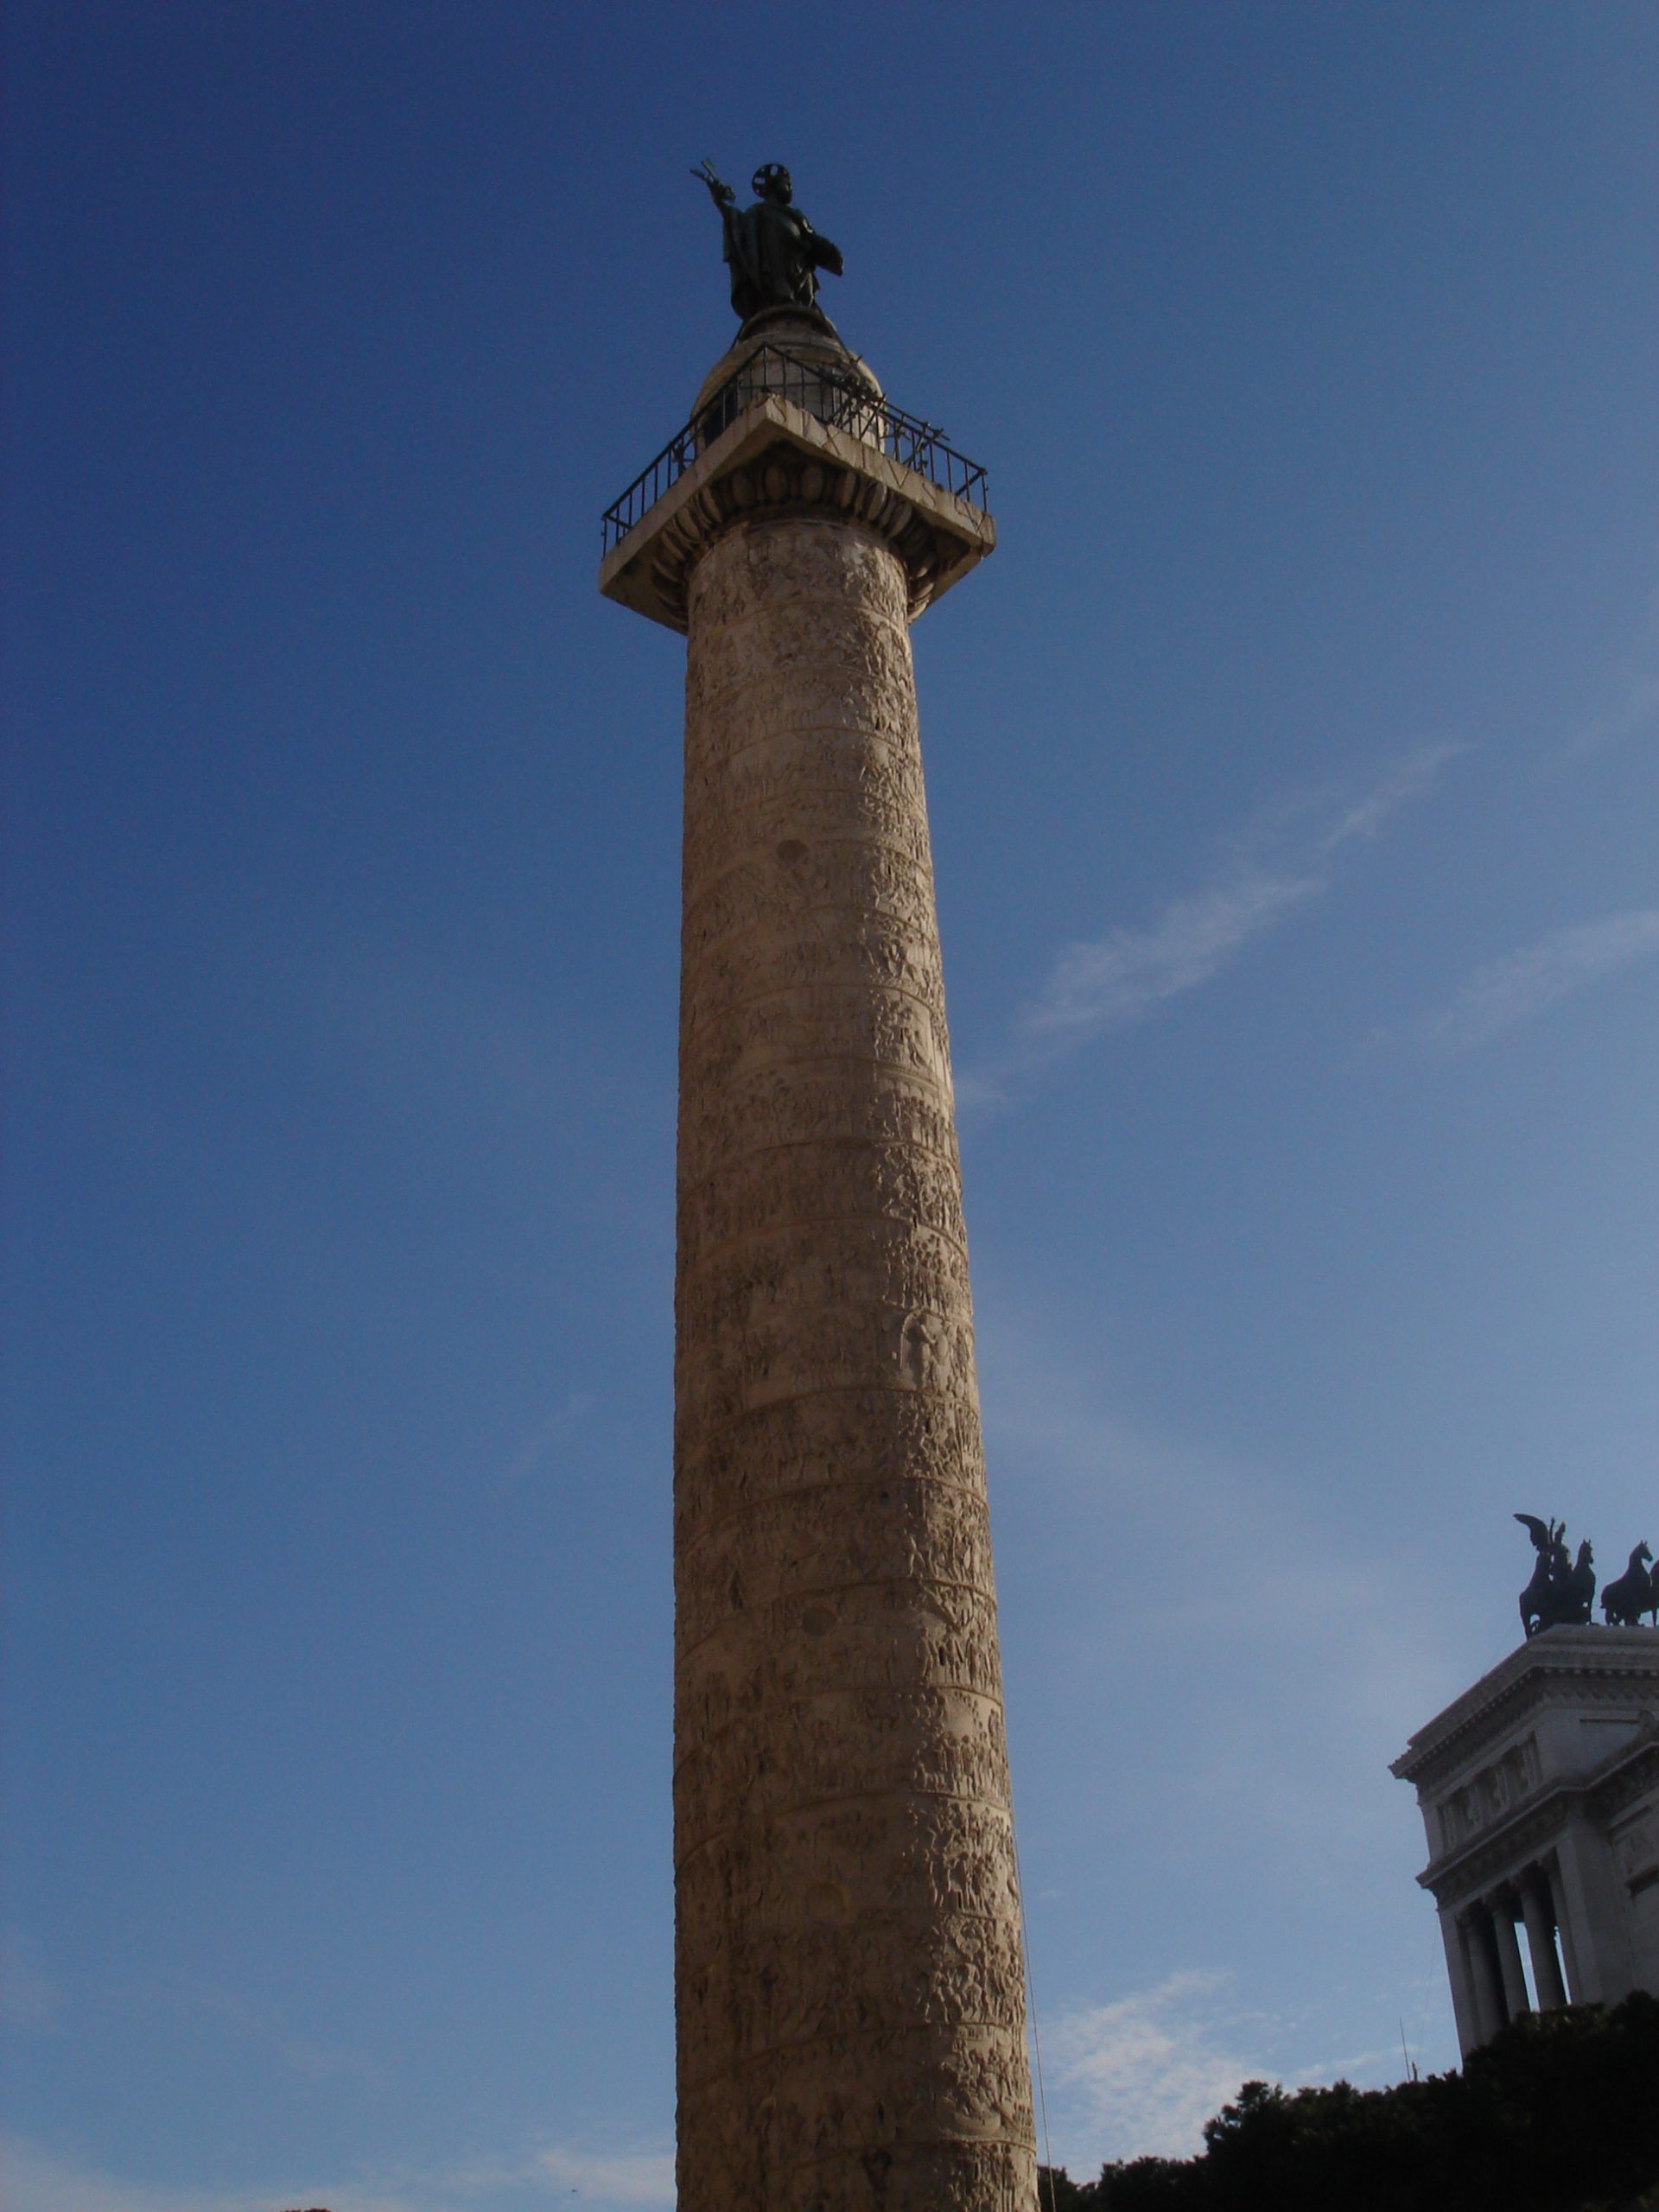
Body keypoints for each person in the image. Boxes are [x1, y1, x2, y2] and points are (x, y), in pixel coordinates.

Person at [694, 161, 843, 322]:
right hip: (775, 277)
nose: (790, 189)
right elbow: (737, 224)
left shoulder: (798, 217)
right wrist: (719, 201)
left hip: (802, 277)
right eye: (787, 185)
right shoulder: (759, 213)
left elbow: (813, 242)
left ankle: (803, 308)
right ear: (774, 186)